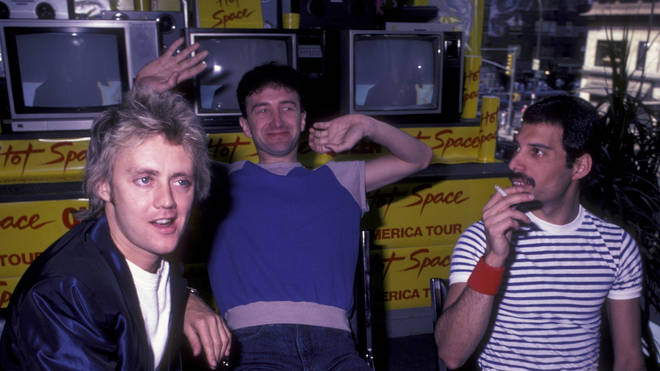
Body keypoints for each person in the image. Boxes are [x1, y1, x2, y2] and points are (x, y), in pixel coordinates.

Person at [206, 62, 433, 369]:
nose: (276, 119)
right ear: (245, 125)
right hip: (252, 345)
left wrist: (367, 126)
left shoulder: (341, 179)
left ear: (302, 120)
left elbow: (419, 158)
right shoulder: (218, 181)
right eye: (262, 110)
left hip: (337, 347)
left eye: (287, 108)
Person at [0, 88, 219, 370]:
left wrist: (188, 297)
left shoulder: (161, 262)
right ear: (103, 186)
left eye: (181, 182)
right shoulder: (66, 293)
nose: (167, 201)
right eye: (144, 179)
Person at [434, 95, 644, 370]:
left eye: (537, 152)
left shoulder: (616, 246)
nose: (514, 165)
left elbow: (629, 359)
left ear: (579, 167)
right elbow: (451, 355)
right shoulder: (481, 239)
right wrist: (494, 259)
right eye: (517, 148)